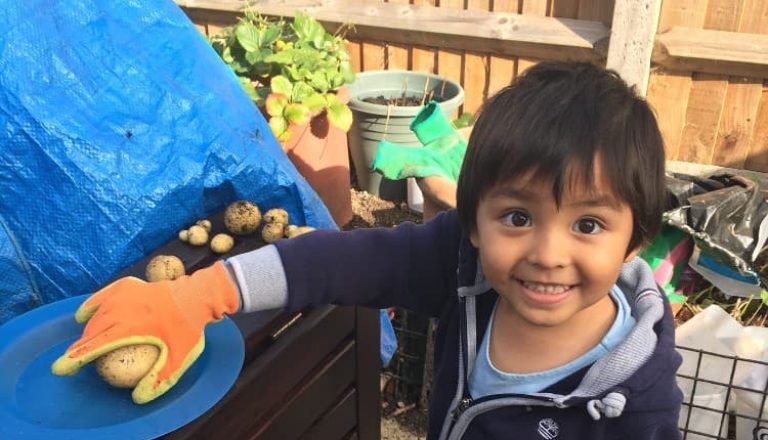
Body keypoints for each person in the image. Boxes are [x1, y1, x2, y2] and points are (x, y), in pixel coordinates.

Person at [52, 61, 683, 439]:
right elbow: (336, 261)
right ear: (472, 218)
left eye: (589, 225)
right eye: (517, 216)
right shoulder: (461, 263)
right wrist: (205, 291)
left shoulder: (633, 398)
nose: (547, 253)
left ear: (637, 234)